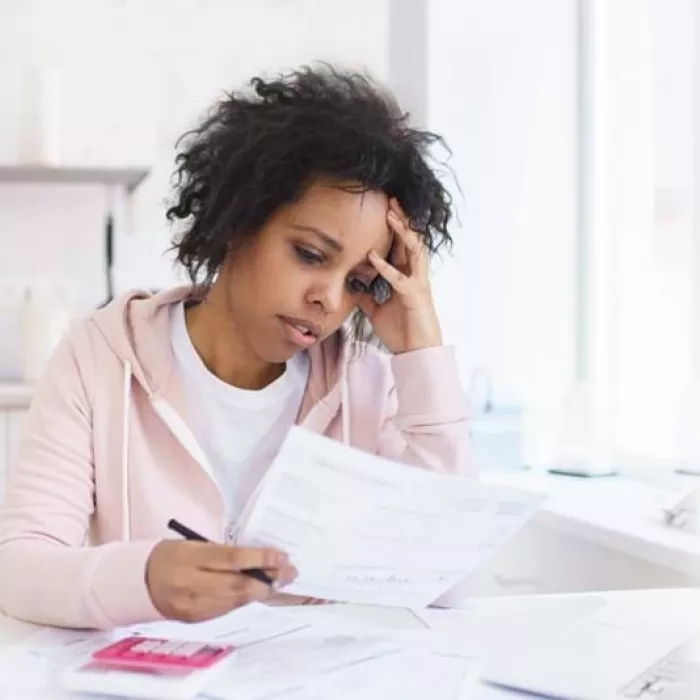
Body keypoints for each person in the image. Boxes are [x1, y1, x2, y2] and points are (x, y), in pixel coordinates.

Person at [0, 65, 474, 630]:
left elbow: (448, 582)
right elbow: (19, 569)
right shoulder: (101, 357)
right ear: (238, 221)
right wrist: (144, 579)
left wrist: (422, 351)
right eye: (310, 254)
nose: (327, 299)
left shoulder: (369, 384)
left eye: (357, 281)